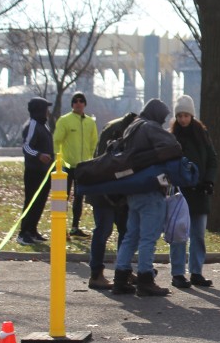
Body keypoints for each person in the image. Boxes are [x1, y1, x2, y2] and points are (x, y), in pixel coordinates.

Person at [112, 99, 178, 297]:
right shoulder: (150, 127)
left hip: (133, 189)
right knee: (148, 238)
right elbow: (173, 144)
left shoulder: (132, 127)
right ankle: (145, 280)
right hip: (150, 189)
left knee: (130, 236)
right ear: (156, 114)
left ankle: (120, 279)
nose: (163, 122)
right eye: (163, 118)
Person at [168, 95, 218, 289]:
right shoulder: (172, 136)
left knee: (198, 235)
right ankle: (178, 273)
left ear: (192, 115)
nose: (183, 119)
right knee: (179, 234)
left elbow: (212, 159)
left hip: (200, 191)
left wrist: (209, 181)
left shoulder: (202, 134)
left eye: (186, 115)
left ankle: (196, 271)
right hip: (180, 192)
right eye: (179, 116)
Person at [86, 111, 137, 290]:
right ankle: (96, 274)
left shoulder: (122, 128)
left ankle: (123, 269)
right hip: (104, 190)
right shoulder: (116, 132)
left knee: (125, 231)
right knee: (103, 230)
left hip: (117, 191)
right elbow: (105, 162)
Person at [52, 91, 98, 238]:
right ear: (72, 104)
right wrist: (58, 160)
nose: (78, 103)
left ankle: (75, 228)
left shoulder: (90, 122)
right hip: (66, 166)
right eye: (75, 101)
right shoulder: (64, 120)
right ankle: (61, 228)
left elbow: (93, 142)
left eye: (81, 101)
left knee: (79, 197)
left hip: (82, 167)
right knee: (62, 198)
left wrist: (90, 159)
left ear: (85, 104)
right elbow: (57, 140)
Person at [18, 97, 54, 246]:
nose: (48, 112)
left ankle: (32, 230)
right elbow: (26, 147)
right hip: (34, 171)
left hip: (45, 171)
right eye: (46, 109)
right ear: (40, 109)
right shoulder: (32, 125)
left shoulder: (43, 125)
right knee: (31, 201)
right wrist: (39, 155)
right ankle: (23, 233)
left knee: (40, 202)